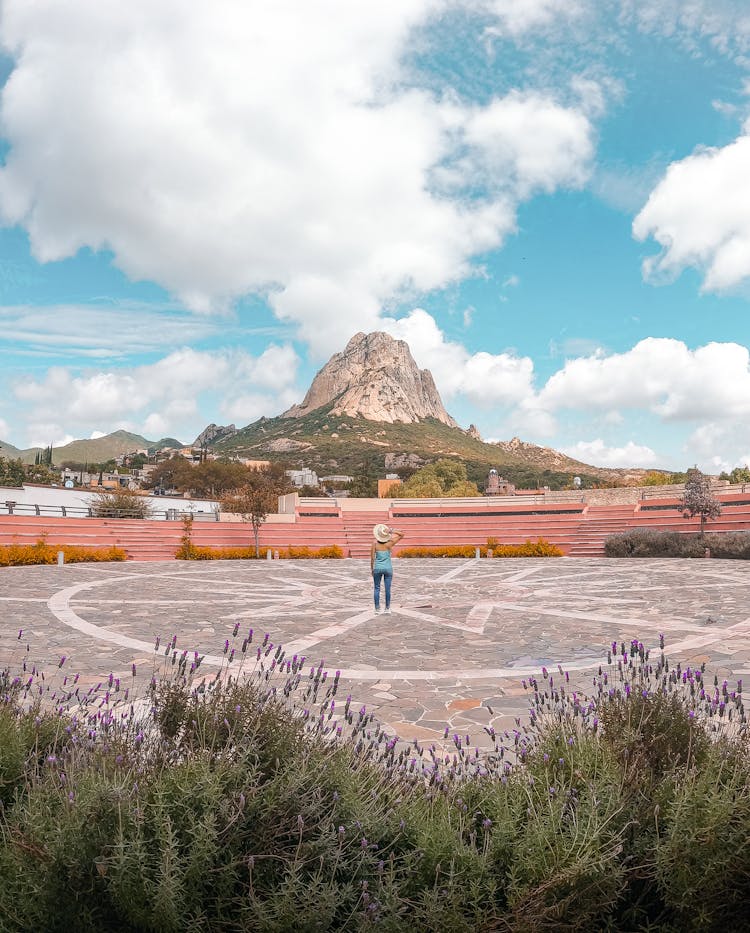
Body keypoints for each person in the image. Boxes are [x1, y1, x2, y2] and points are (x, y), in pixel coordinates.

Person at [371, 523, 403, 614]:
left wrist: (372, 569)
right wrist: (391, 530)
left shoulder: (374, 545)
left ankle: (377, 609)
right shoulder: (390, 544)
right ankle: (387, 608)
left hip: (377, 568)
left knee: (377, 588)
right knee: (387, 589)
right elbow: (402, 535)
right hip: (388, 568)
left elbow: (372, 558)